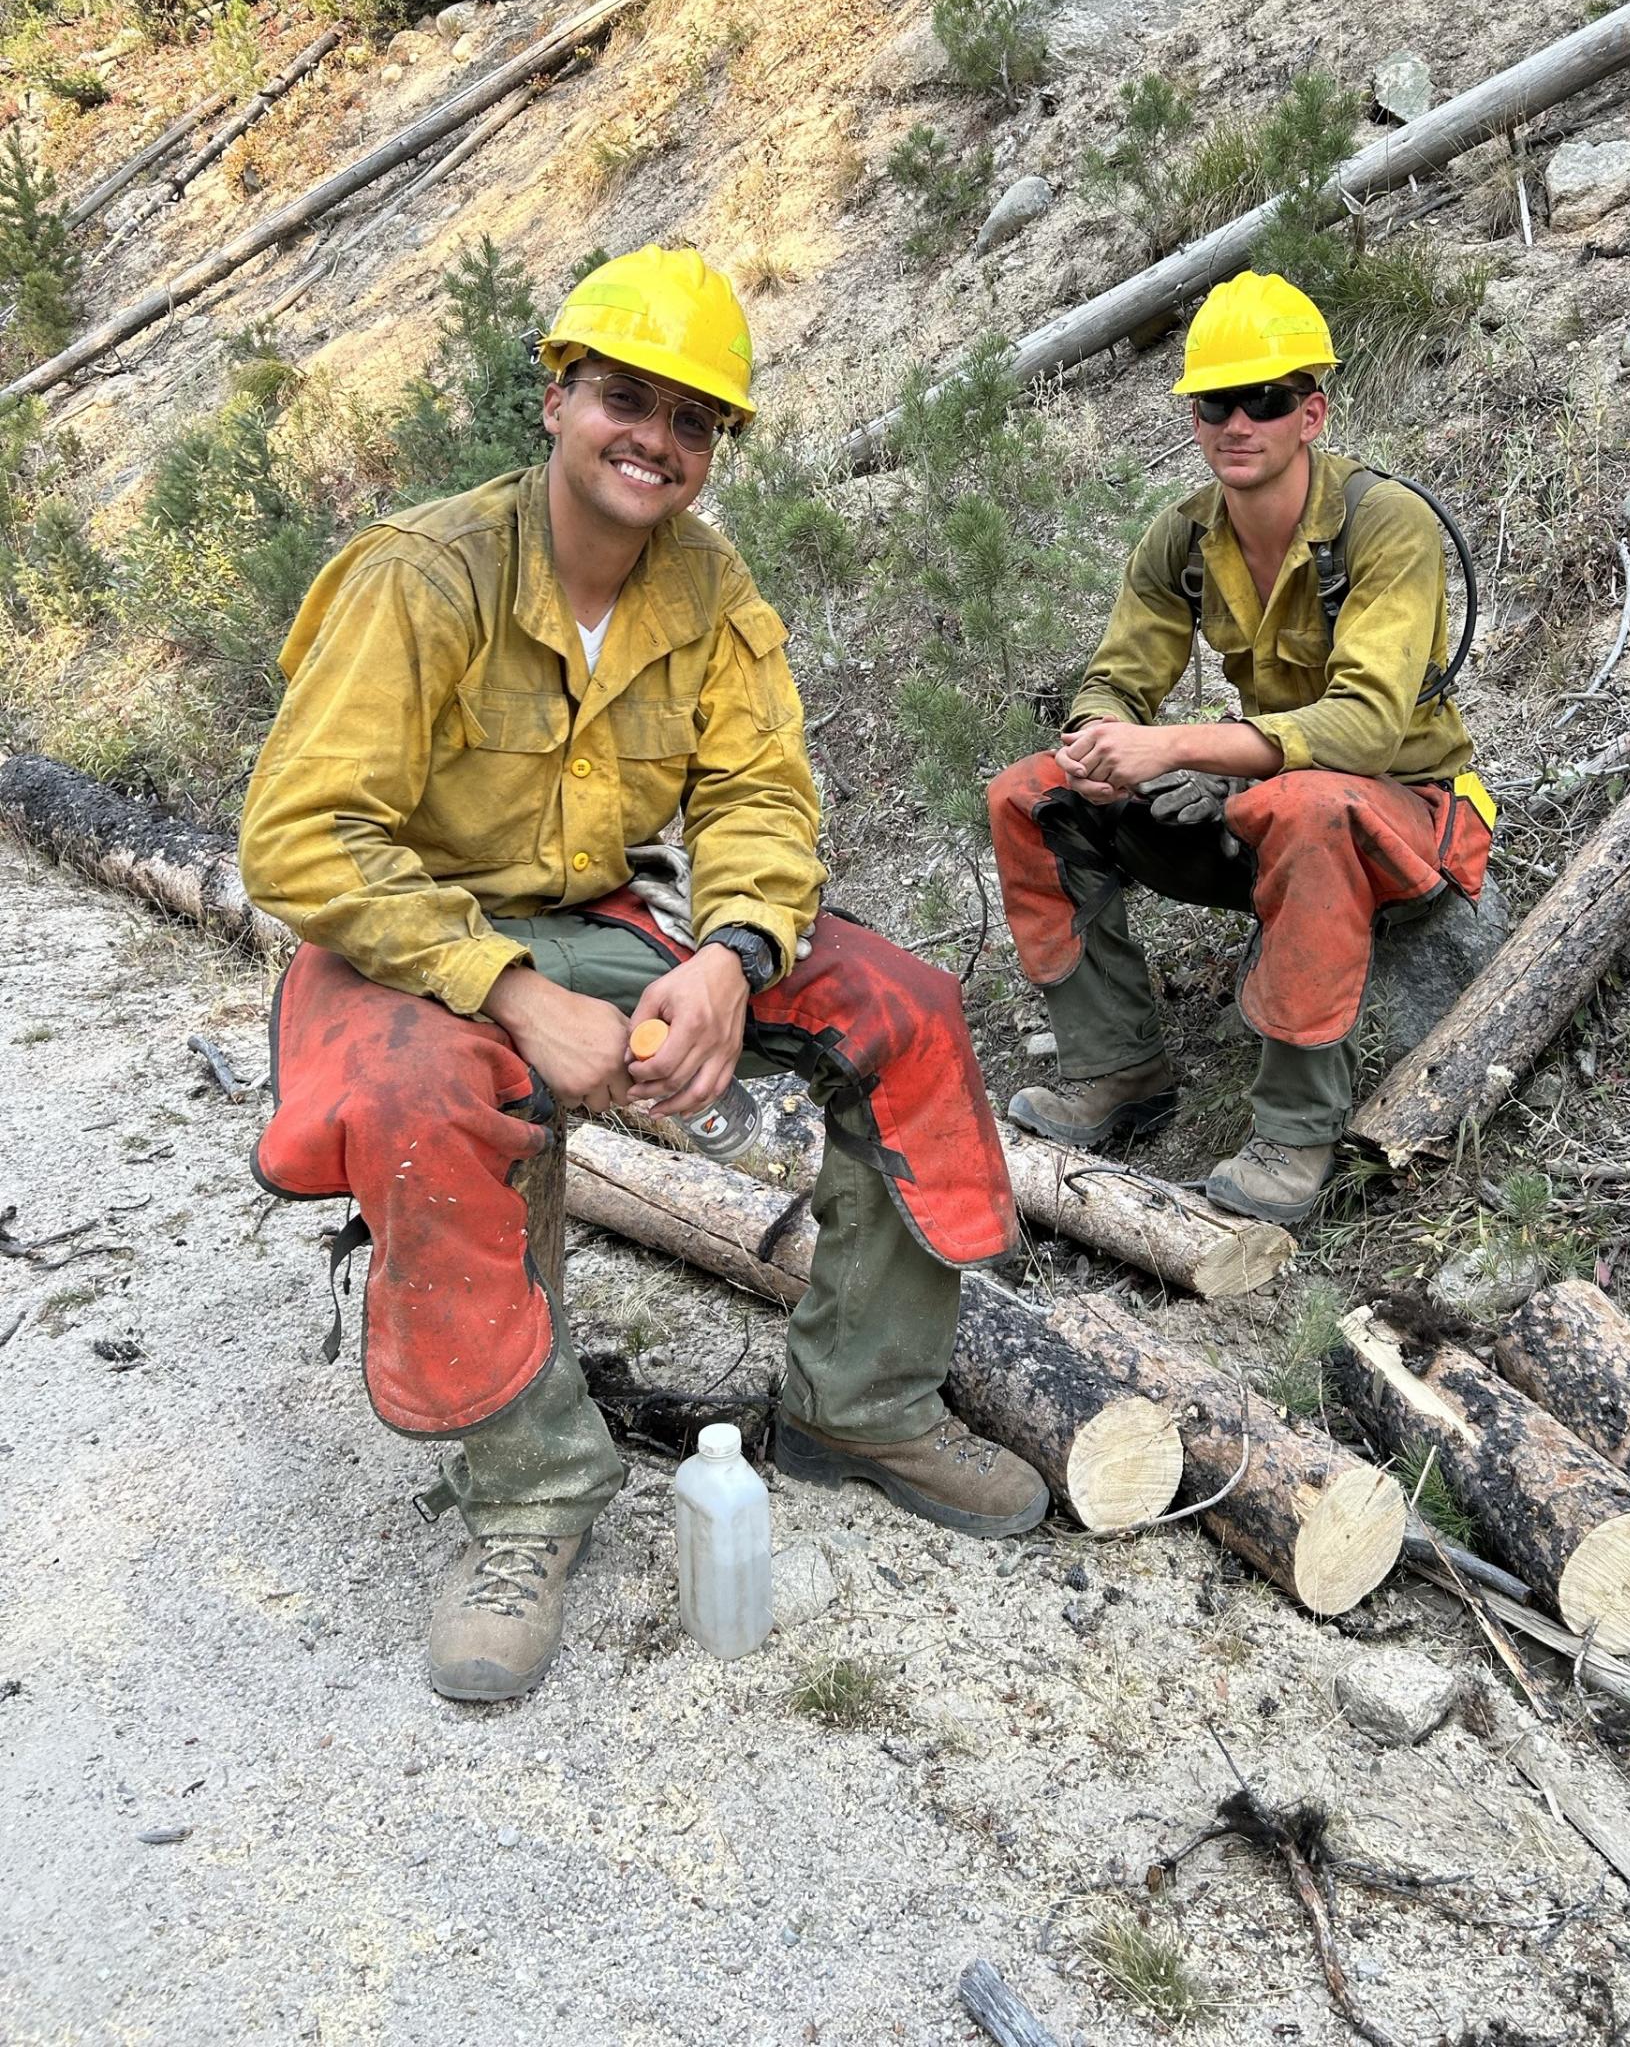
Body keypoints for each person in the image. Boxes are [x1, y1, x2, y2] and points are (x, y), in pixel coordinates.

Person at [240, 247, 1047, 1706]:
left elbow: (758, 796)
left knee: (903, 1008)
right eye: (624, 398)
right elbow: (301, 840)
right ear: (555, 398)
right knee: (424, 1092)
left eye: (693, 424)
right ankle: (531, 1500)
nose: (655, 443)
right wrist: (507, 990)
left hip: (601, 909)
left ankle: (857, 1403)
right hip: (402, 930)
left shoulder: (707, 584)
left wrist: (735, 958)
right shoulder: (422, 578)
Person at [986, 271, 1495, 1227]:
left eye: (1264, 400)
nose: (1238, 423)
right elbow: (1115, 678)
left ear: (1312, 412)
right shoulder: (1180, 537)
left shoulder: (1388, 526)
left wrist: (1188, 751)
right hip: (1261, 810)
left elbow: (1368, 728)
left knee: (1297, 805)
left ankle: (1295, 1134)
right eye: (1215, 401)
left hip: (1400, 820)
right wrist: (1101, 744)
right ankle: (1115, 1071)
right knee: (1032, 793)